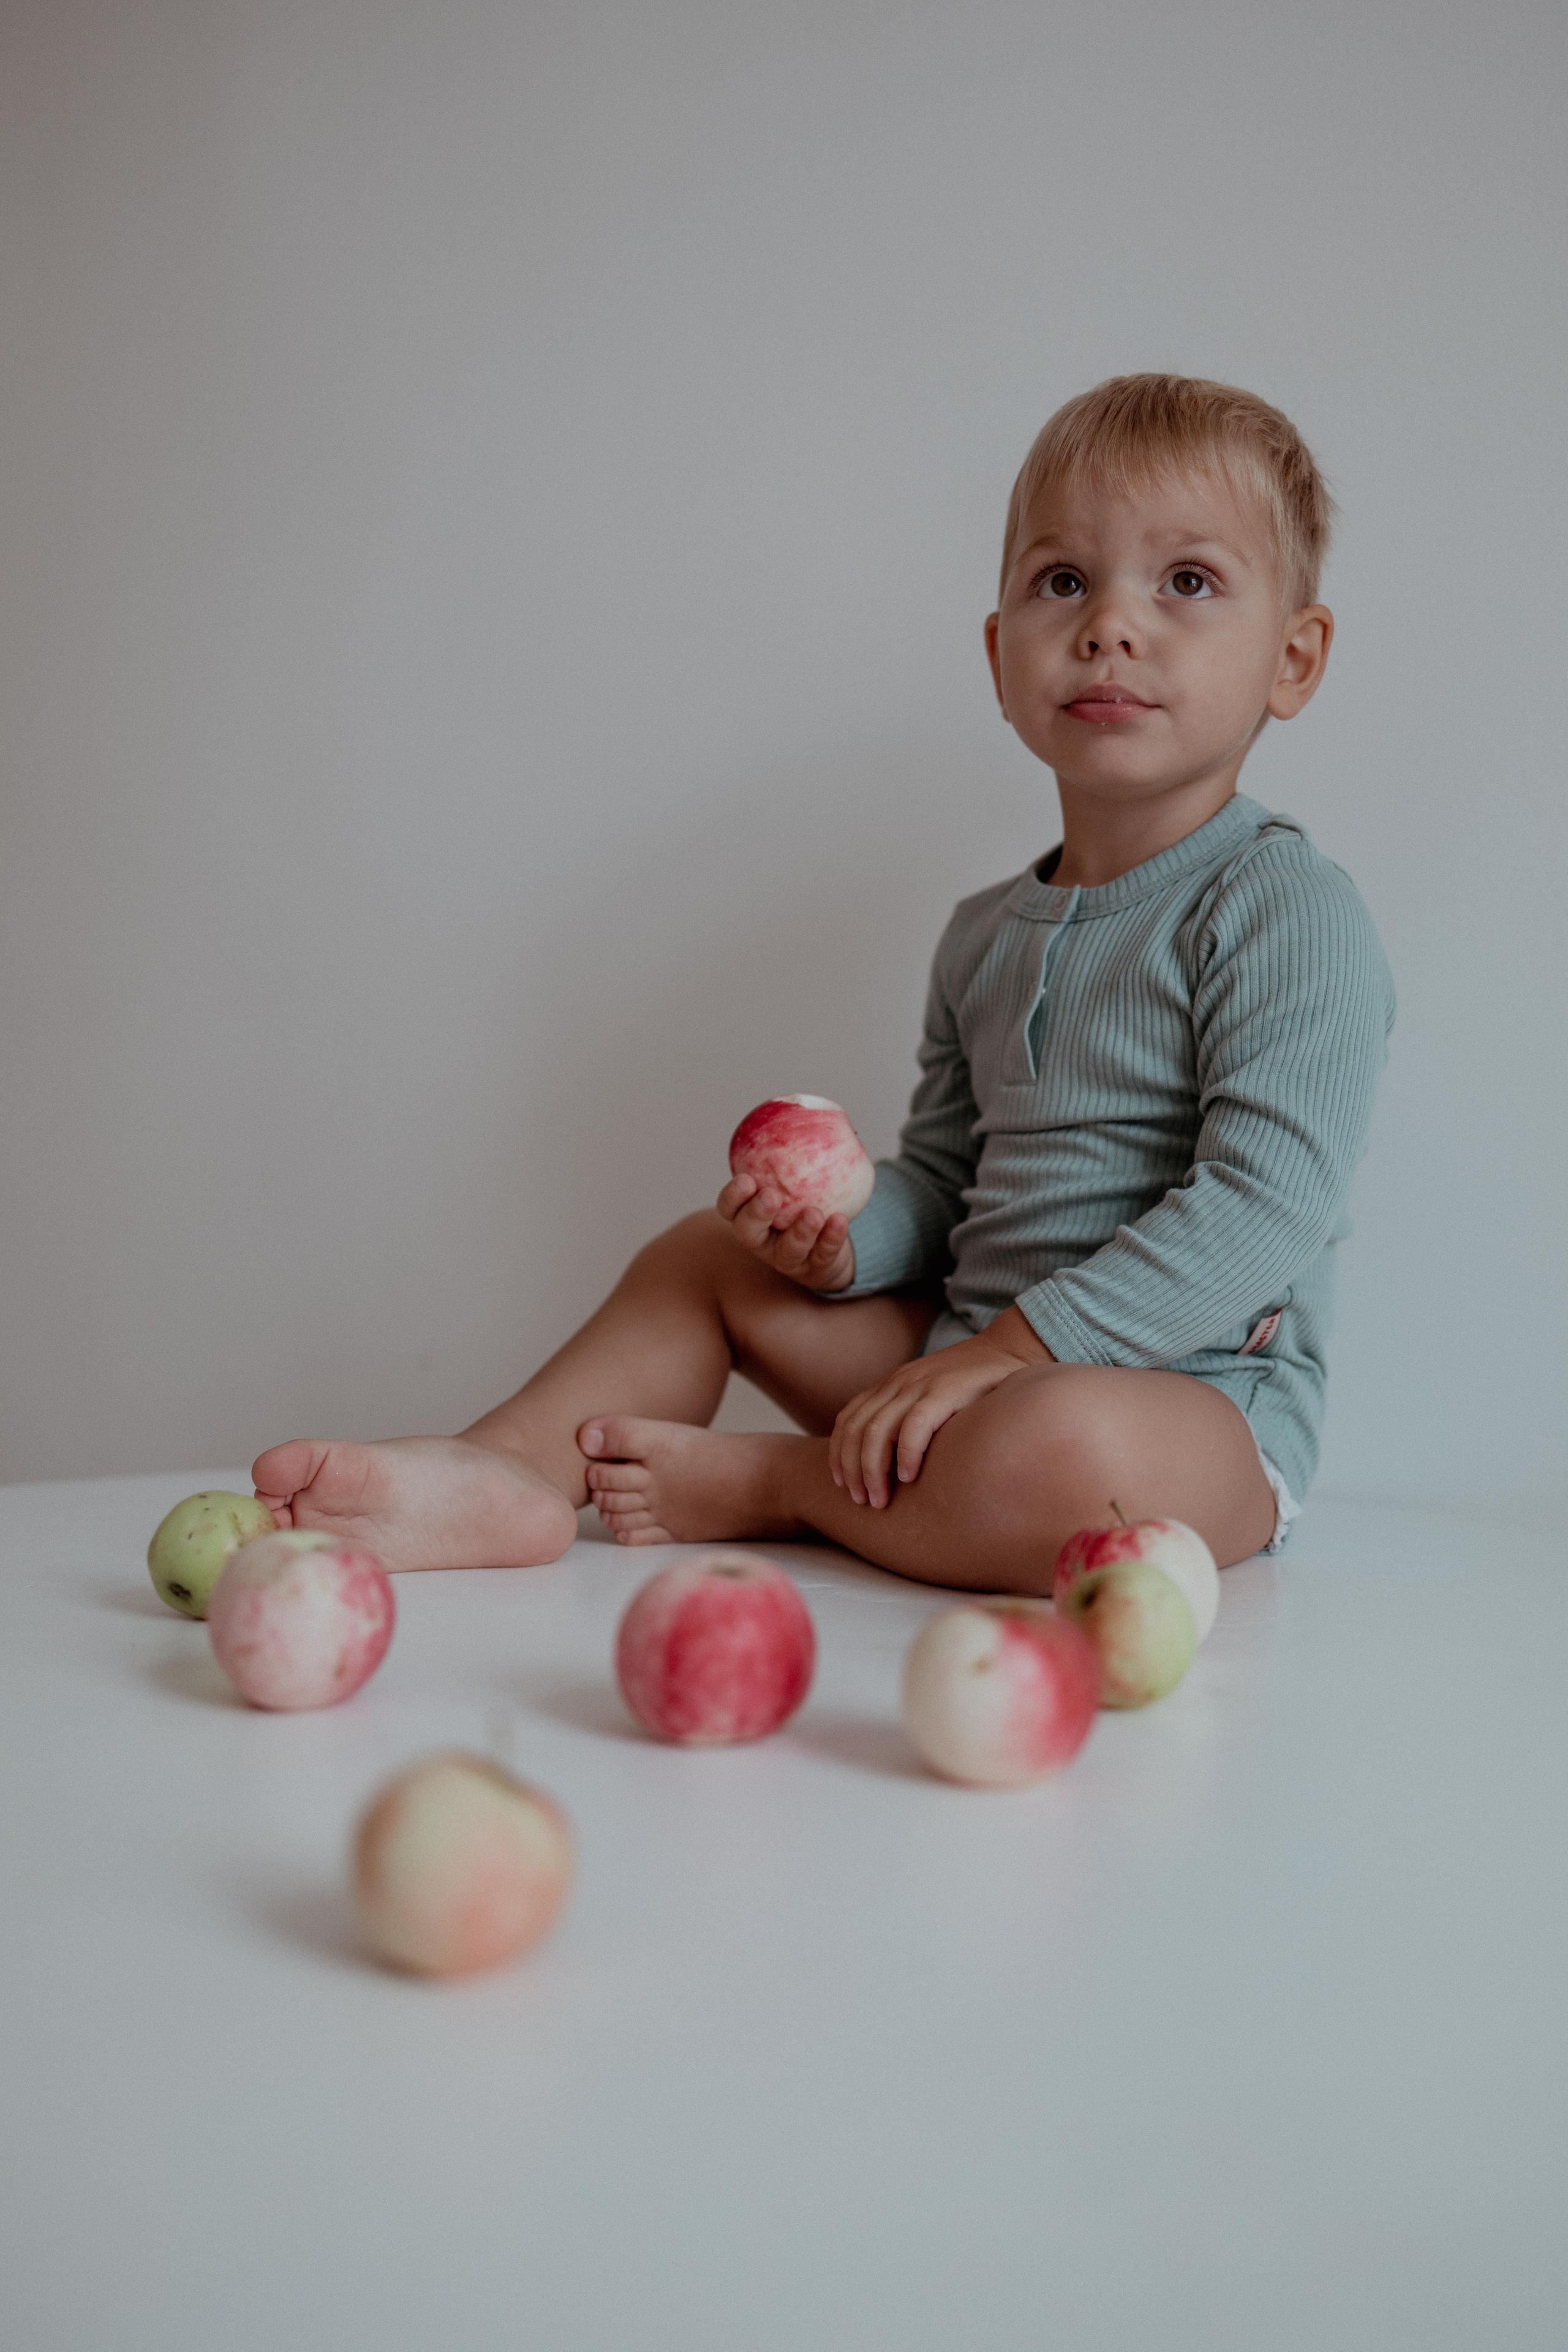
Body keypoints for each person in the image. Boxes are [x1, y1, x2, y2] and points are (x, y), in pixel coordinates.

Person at [254, 374, 1393, 1593]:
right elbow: (949, 1185)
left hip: (1189, 1410)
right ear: (998, 656)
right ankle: (507, 1471)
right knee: (703, 1260)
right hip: (961, 1367)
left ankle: (776, 1486)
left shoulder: (1283, 911)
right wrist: (841, 1247)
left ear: (1293, 657)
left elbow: (1260, 1206)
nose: (1112, 623)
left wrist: (1015, 1353)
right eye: (1062, 581)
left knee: (1067, 1455)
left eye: (1186, 583)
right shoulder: (980, 936)